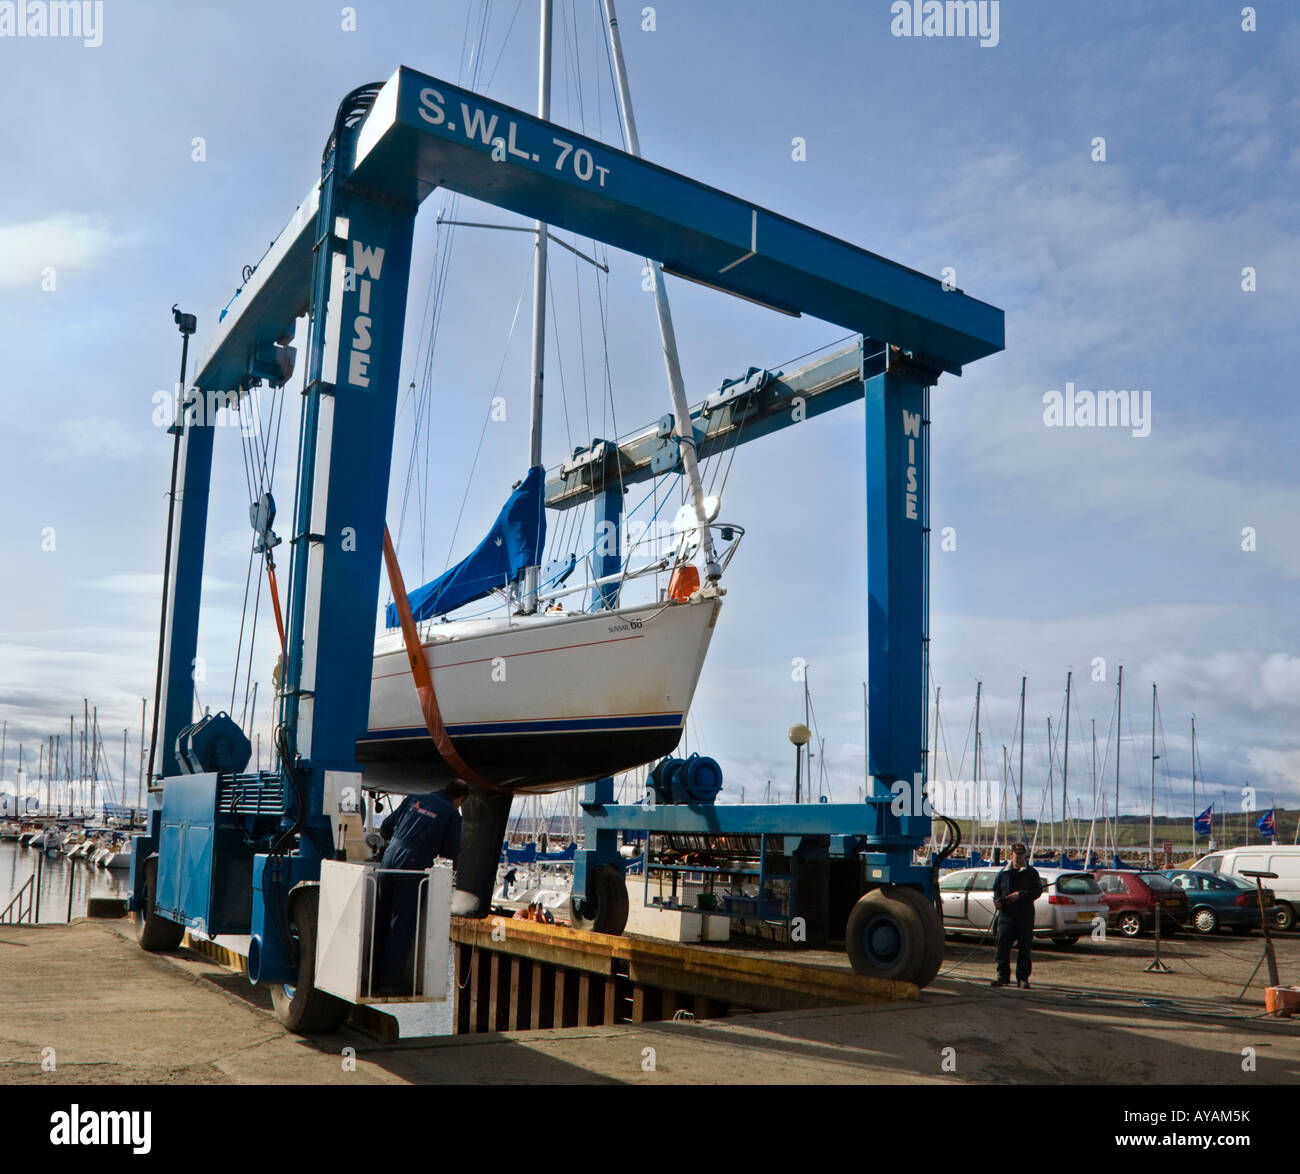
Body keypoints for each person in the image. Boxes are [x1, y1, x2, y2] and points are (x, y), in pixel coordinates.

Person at [373, 780, 470, 993]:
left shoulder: (414, 797)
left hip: (388, 860)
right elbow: (450, 851)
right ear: (460, 799)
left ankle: (372, 976)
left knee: (380, 917)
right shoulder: (452, 814)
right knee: (401, 923)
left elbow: (385, 829)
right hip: (413, 865)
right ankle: (389, 982)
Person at [992, 842, 1043, 988]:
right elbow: (996, 890)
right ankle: (1002, 976)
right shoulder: (1003, 873)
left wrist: (1020, 895)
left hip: (1024, 916)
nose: (1019, 858)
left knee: (1025, 948)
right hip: (1006, 916)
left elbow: (1037, 891)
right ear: (1011, 855)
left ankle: (1023, 978)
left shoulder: (1031, 873)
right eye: (1017, 855)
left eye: (1022, 855)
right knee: (1002, 947)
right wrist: (997, 901)